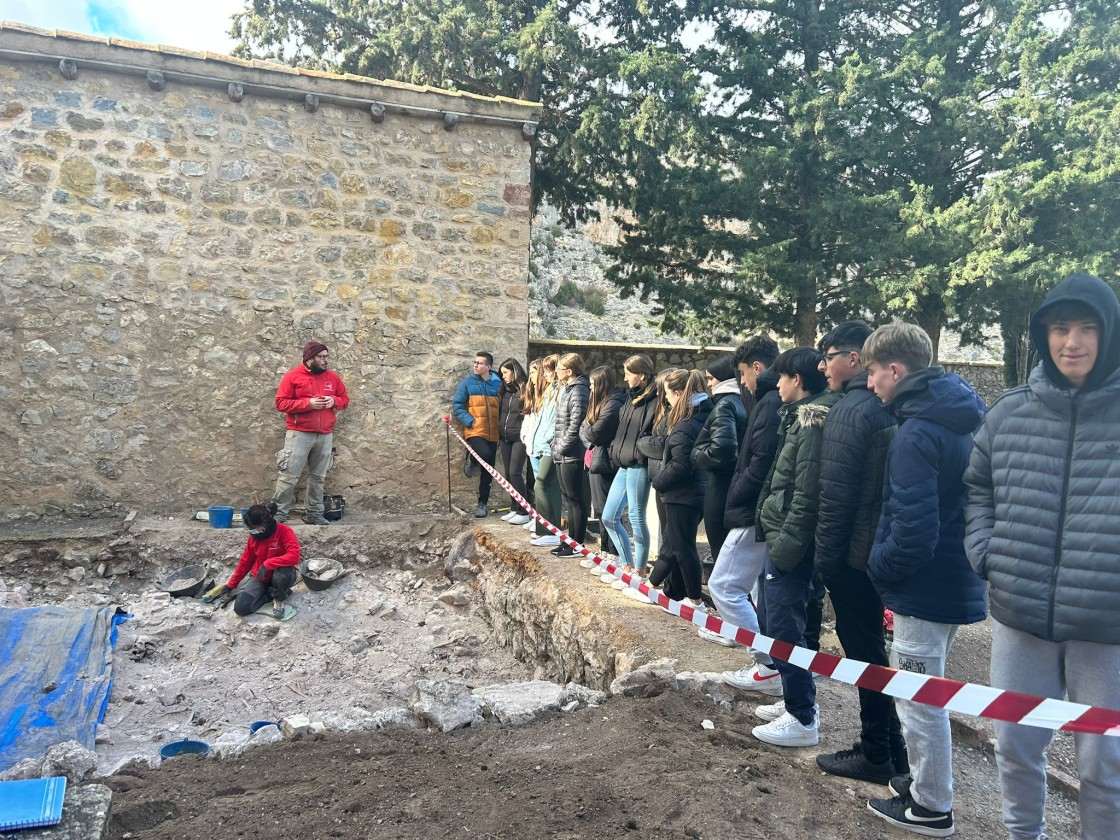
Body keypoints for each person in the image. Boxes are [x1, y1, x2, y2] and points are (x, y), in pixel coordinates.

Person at [964, 273, 1120, 840]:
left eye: (1086, 329)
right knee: (1014, 744)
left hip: (1107, 627)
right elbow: (977, 485)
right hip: (1020, 614)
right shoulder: (1010, 412)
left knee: (1105, 766)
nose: (1071, 342)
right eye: (1059, 328)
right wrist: (987, 553)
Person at [862, 323, 987, 838]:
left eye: (872, 373)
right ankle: (920, 785)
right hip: (953, 579)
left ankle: (931, 807)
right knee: (926, 692)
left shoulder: (915, 432)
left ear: (896, 370)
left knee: (918, 697)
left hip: (924, 587)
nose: (870, 385)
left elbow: (913, 532)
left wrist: (879, 566)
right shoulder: (958, 418)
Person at [812, 321, 908, 783]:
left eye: (829, 355)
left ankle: (877, 755)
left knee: (866, 656)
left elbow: (836, 496)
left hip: (851, 558)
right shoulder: (888, 406)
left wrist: (826, 562)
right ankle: (893, 754)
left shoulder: (853, 409)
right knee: (873, 654)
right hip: (875, 551)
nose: (822, 364)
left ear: (854, 359)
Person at [752, 348, 839, 747]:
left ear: (797, 380)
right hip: (781, 533)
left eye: (782, 378)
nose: (777, 385)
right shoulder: (798, 418)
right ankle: (793, 700)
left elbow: (806, 493)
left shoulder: (812, 423)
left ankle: (803, 717)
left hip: (791, 540)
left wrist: (786, 543)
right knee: (776, 619)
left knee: (785, 625)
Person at [710, 336, 783, 693]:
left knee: (723, 586)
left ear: (757, 367)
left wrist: (736, 496)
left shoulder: (768, 405)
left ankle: (767, 664)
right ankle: (772, 664)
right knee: (755, 589)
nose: (742, 382)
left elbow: (760, 463)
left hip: (753, 513)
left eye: (742, 373)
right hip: (758, 511)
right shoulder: (767, 400)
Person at [645, 368, 711, 610]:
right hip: (691, 491)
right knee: (674, 545)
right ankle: (651, 586)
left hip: (683, 493)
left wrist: (658, 481)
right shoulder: (702, 414)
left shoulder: (685, 424)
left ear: (679, 393)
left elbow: (681, 464)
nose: (666, 400)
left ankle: (694, 600)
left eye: (667, 395)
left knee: (683, 548)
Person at [272, 341, 350, 525]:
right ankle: (278, 515)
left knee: (318, 478)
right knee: (288, 477)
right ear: (309, 359)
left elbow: (345, 399)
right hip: (299, 433)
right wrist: (308, 404)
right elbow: (281, 403)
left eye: (326, 357)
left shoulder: (332, 377)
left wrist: (334, 401)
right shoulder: (292, 376)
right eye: (321, 357)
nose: (325, 361)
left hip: (325, 435)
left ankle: (314, 514)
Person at [601, 354, 659, 577]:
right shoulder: (629, 398)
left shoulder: (655, 401)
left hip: (638, 466)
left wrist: (639, 452)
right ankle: (627, 566)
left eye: (628, 374)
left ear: (641, 375)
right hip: (623, 464)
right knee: (608, 517)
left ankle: (640, 572)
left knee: (636, 516)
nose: (625, 379)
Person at [692, 354, 749, 565]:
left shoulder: (725, 404)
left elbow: (723, 448)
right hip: (737, 480)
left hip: (719, 483)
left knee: (721, 551)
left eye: (710, 379)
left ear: (723, 379)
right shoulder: (746, 401)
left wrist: (696, 455)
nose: (708, 384)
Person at [202, 502, 301, 618]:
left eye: (253, 528)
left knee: (285, 572)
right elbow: (245, 562)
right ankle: (269, 595)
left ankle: (279, 598)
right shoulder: (254, 537)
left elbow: (294, 556)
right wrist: (231, 585)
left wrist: (268, 564)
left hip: (280, 575)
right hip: (260, 576)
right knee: (241, 608)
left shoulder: (284, 531)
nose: (250, 531)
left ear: (263, 524)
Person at [579, 366, 627, 564]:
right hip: (596, 459)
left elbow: (594, 433)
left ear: (601, 385)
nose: (589, 389)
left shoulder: (613, 404)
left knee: (609, 511)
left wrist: (588, 430)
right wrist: (588, 430)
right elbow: (586, 430)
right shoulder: (601, 404)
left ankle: (614, 554)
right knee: (599, 510)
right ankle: (605, 551)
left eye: (592, 384)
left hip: (606, 462)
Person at [451, 351, 502, 518]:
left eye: (480, 363)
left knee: (489, 469)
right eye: (475, 362)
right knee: (485, 455)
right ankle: (471, 459)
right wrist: (470, 421)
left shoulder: (497, 384)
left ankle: (483, 504)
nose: (475, 365)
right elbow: (457, 405)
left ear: (488, 366)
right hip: (475, 430)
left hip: (493, 432)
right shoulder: (467, 383)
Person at [551, 353, 591, 557]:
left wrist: (562, 447)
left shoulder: (579, 390)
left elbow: (576, 423)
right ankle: (568, 541)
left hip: (572, 453)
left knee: (576, 500)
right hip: (562, 452)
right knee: (568, 498)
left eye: (559, 368)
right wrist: (555, 445)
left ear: (570, 371)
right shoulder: (568, 389)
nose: (556, 372)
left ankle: (577, 544)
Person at [529, 355, 562, 546]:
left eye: (550, 370)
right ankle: (548, 529)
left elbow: (558, 420)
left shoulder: (561, 391)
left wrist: (549, 439)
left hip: (551, 445)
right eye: (546, 370)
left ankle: (550, 530)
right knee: (549, 488)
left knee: (540, 485)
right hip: (543, 444)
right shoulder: (550, 390)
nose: (547, 374)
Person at [497, 358, 533, 526]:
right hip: (504, 437)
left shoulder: (526, 389)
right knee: (508, 474)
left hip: (519, 437)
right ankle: (514, 507)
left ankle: (524, 510)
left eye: (505, 372)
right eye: (501, 373)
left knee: (515, 473)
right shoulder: (504, 390)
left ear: (515, 371)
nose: (503, 376)